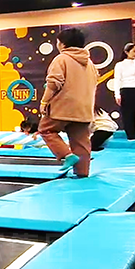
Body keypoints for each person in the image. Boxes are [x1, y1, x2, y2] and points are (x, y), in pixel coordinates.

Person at [39, 28, 98, 177]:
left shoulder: (62, 59)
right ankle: (83, 172)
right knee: (81, 141)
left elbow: (54, 83)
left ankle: (67, 155)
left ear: (63, 43)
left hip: (63, 106)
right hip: (84, 108)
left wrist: (44, 101)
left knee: (46, 129)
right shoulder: (89, 63)